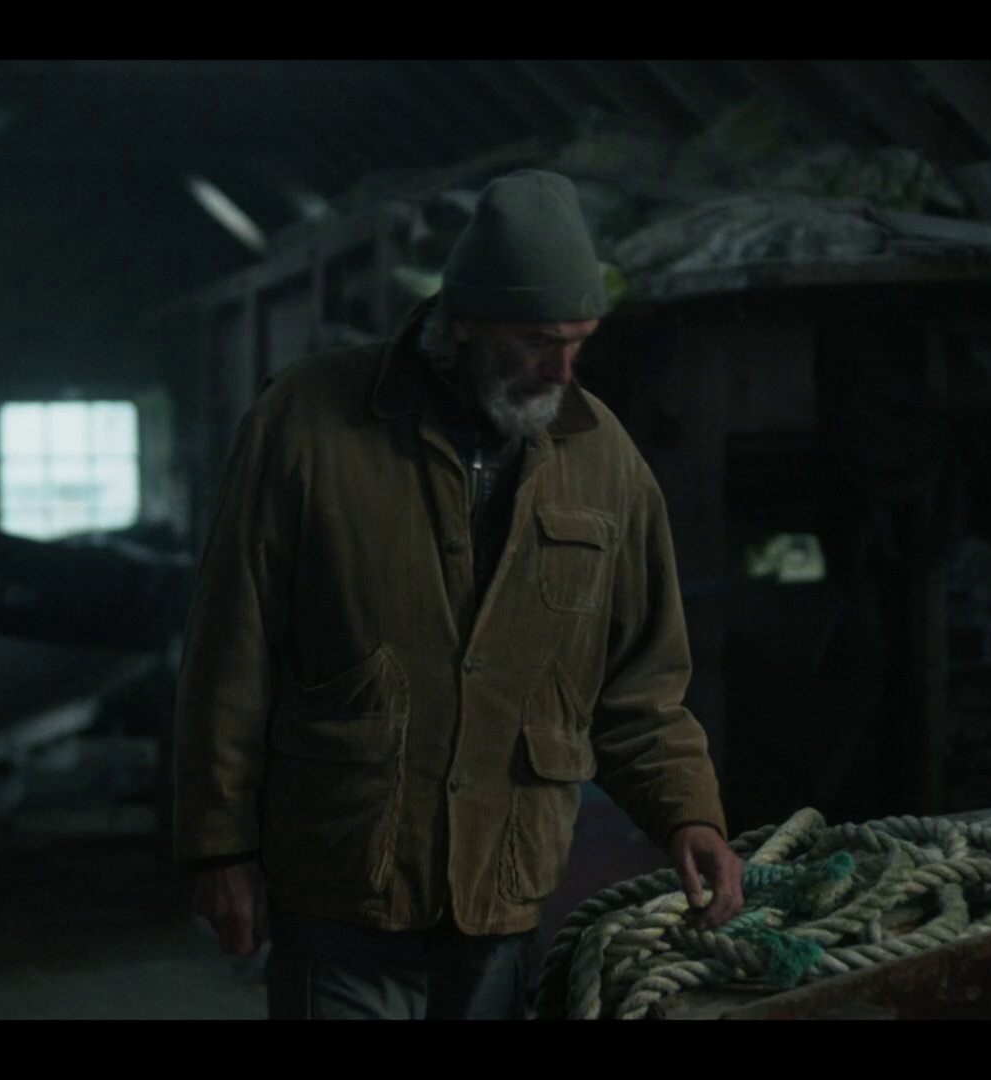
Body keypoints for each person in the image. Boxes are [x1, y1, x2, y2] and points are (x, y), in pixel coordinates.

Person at [173, 169, 742, 1020]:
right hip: (341, 878)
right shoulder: (306, 423)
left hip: (501, 887)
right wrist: (220, 846)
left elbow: (641, 688)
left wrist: (689, 815)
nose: (563, 369)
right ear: (464, 319)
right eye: (538, 341)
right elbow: (231, 650)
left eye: (579, 342)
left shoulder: (605, 460)